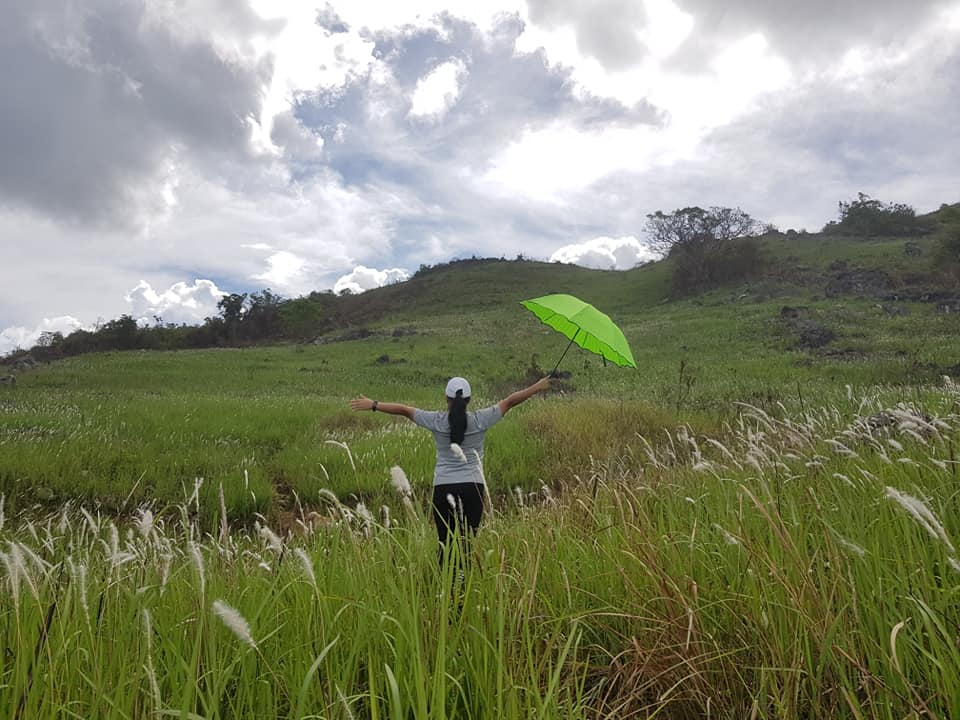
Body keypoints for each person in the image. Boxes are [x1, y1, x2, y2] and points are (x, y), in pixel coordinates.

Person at [349, 375, 551, 565]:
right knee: (466, 545)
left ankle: (446, 592)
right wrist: (537, 387)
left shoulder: (436, 421)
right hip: (473, 488)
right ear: (469, 399)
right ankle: (462, 593)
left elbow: (404, 409)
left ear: (446, 398)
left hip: (443, 488)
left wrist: (373, 404)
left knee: (445, 544)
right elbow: (510, 401)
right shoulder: (480, 419)